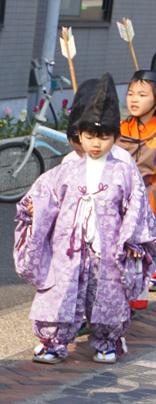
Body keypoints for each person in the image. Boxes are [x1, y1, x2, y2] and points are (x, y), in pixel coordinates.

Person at [15, 75, 156, 365]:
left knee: (107, 293)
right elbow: (46, 195)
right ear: (80, 135)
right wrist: (33, 208)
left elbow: (137, 204)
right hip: (69, 246)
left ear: (115, 137)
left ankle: (107, 339)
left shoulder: (123, 169)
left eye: (104, 136)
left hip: (109, 248)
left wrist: (131, 239)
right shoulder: (68, 168)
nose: (95, 143)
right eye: (89, 136)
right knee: (60, 291)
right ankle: (53, 341)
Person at [116, 53, 156, 295]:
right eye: (130, 93)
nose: (134, 99)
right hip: (123, 196)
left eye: (142, 95)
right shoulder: (120, 128)